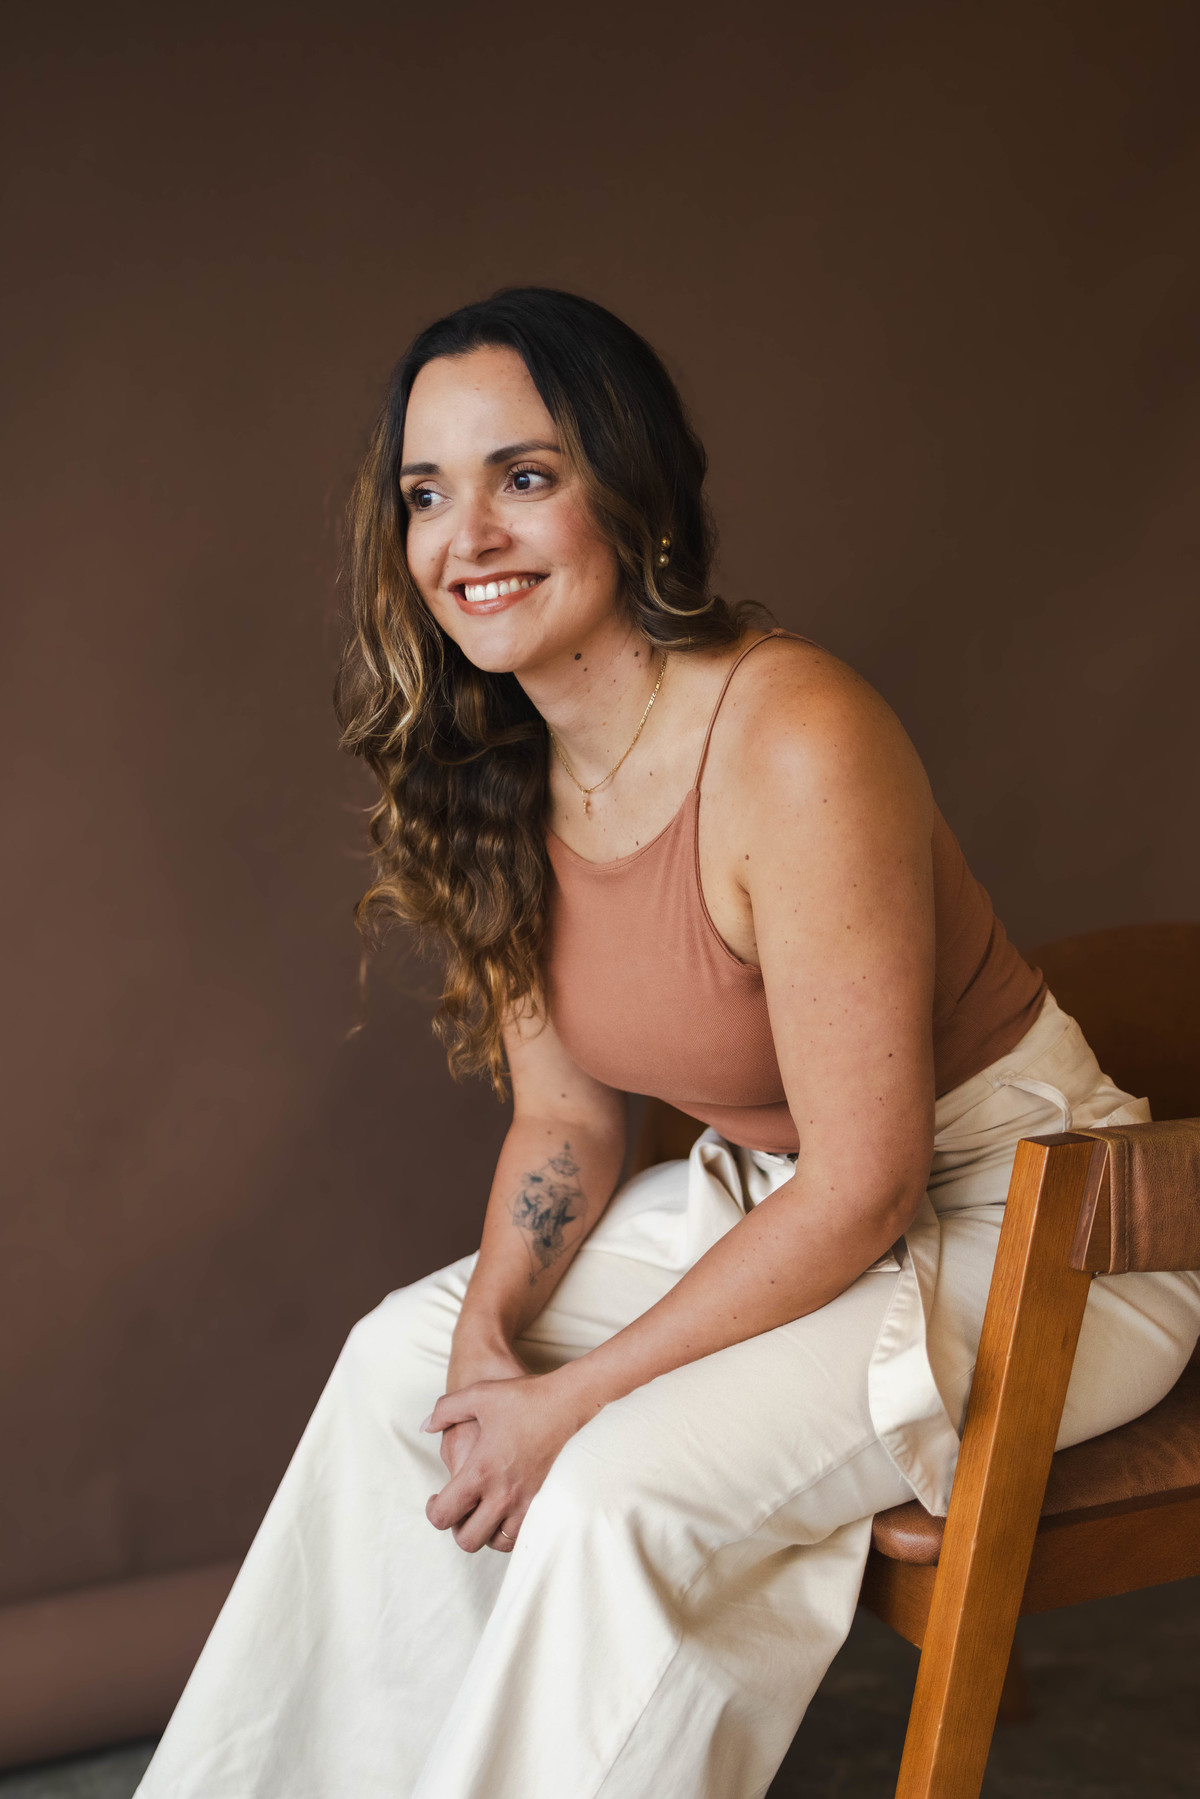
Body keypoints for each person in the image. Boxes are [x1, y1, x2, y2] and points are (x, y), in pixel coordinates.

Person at [135, 289, 1200, 1799]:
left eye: (523, 476)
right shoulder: (500, 764)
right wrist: (492, 1341)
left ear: (629, 492)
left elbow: (869, 1182)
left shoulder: (792, 736)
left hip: (1049, 1236)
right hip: (783, 1205)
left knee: (617, 1490)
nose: (466, 537)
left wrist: (569, 1406)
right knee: (400, 1375)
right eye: (426, 494)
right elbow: (565, 1125)